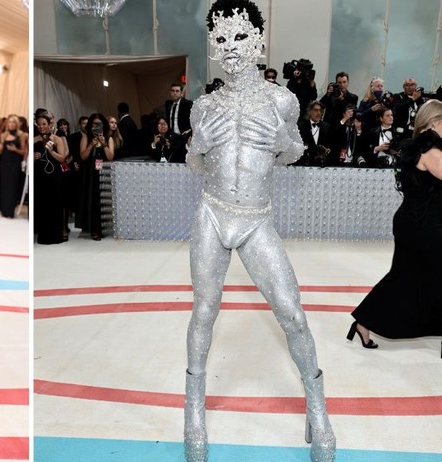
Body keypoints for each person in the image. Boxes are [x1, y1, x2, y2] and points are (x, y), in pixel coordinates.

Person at [183, 1, 335, 461]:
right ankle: (193, 413)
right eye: (222, 40)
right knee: (205, 309)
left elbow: (294, 152)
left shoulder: (282, 99)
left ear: (257, 42)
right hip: (211, 213)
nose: (231, 49)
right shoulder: (203, 106)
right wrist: (198, 145)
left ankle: (318, 408)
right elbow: (195, 164)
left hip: (256, 217)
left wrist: (282, 142)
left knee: (291, 310)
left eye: (240, 39)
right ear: (213, 46)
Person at [349, 99, 442, 351]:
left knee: (404, 276)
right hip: (424, 226)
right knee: (414, 277)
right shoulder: (431, 152)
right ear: (434, 122)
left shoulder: (419, 148)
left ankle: (363, 322)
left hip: (415, 223)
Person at [77, 113, 114, 241]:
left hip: (104, 172)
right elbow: (82, 156)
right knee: (92, 199)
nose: (96, 126)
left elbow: (110, 157)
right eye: (94, 124)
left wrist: (103, 144)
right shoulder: (86, 137)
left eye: (99, 124)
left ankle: (104, 227)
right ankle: (94, 229)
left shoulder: (108, 137)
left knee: (103, 199)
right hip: (90, 173)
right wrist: (91, 144)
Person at [33, 111, 67, 244]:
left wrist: (51, 151)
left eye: (44, 124)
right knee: (42, 205)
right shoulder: (34, 139)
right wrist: (33, 156)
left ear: (49, 124)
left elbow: (62, 158)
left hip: (54, 176)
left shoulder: (57, 139)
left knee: (55, 204)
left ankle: (57, 235)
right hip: (40, 176)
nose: (41, 127)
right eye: (39, 124)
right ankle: (43, 236)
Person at [0, 114, 27, 218]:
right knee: (4, 187)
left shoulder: (21, 135)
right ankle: (4, 211)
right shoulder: (3, 135)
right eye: (10, 122)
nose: (11, 124)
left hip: (15, 164)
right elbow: (0, 152)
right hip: (4, 163)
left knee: (12, 188)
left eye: (14, 122)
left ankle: (10, 212)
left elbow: (24, 151)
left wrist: (15, 150)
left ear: (17, 124)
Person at [163, 81, 193, 162]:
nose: (175, 93)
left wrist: (190, 130)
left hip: (184, 138)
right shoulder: (169, 106)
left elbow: (197, 119)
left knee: (184, 162)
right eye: (173, 91)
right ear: (170, 92)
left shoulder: (188, 104)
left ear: (181, 93)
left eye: (177, 91)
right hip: (173, 139)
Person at [296, 101, 332, 166]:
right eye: (316, 110)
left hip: (321, 164)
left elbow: (329, 143)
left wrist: (328, 149)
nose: (318, 113)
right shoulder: (301, 125)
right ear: (309, 112)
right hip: (304, 163)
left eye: (320, 110)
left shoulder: (326, 126)